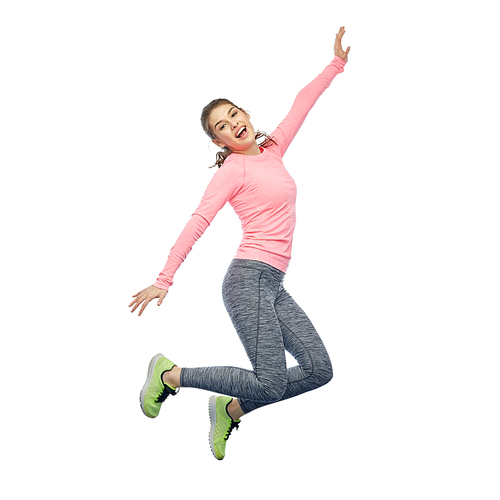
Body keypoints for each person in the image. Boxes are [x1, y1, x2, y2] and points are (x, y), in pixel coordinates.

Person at [129, 27, 350, 460]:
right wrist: (164, 279)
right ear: (219, 141)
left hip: (274, 283)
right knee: (271, 380)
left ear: (246, 114)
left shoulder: (272, 149)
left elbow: (301, 104)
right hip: (247, 280)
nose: (235, 124)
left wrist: (336, 64)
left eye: (235, 114)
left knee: (319, 370)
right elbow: (199, 221)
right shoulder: (231, 171)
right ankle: (171, 375)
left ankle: (230, 408)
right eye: (223, 127)